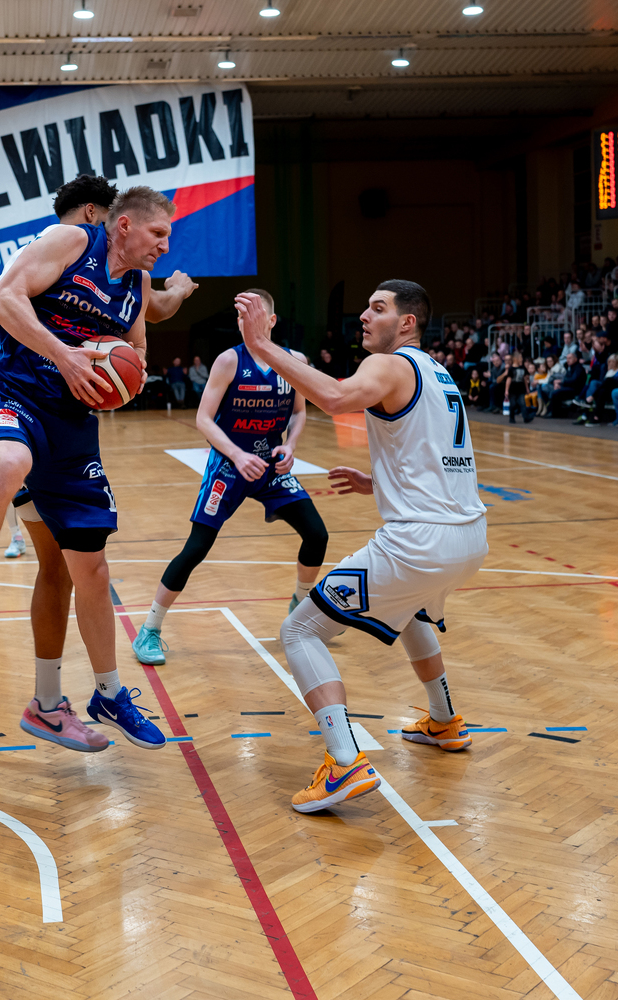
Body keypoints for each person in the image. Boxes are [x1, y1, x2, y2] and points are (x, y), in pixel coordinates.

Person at [0, 176, 196, 743]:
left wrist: (122, 376)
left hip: (71, 424)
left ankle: (96, 696)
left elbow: (138, 348)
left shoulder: (136, 284)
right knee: (4, 475)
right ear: (117, 221)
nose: (165, 244)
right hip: (10, 395)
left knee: (81, 566)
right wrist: (64, 356)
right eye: (159, 233)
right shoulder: (67, 242)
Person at [236, 280, 487, 813]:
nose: (365, 317)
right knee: (411, 609)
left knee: (299, 630)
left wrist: (261, 346)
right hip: (468, 536)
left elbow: (333, 398)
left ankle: (344, 762)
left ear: (408, 322)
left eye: (378, 308)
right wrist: (381, 482)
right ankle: (445, 722)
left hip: (419, 542)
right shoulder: (437, 372)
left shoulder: (390, 365)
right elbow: (440, 455)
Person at [133, 288, 328, 666]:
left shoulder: (295, 361)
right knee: (196, 548)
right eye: (240, 316)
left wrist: (291, 445)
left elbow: (299, 411)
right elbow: (203, 419)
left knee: (317, 534)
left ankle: (300, 607)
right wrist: (237, 455)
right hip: (229, 466)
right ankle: (150, 628)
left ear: (271, 321)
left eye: (252, 314)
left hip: (270, 467)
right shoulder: (228, 361)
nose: (244, 322)